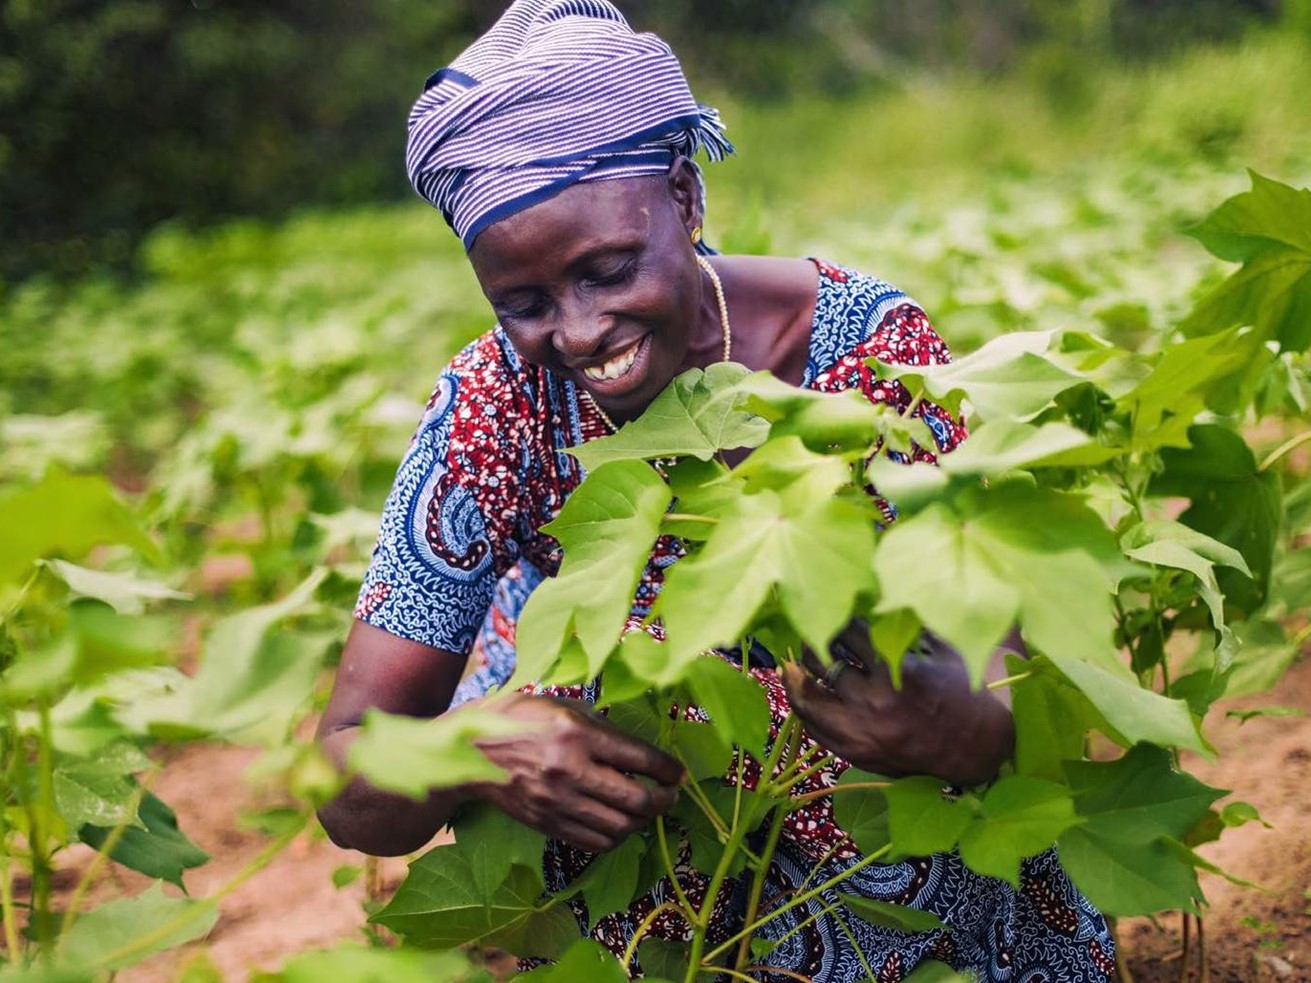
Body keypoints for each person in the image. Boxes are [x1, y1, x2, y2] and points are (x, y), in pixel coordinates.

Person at [316, 2, 1116, 980]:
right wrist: (472, 746)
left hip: (892, 882)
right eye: (522, 303)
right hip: (646, 910)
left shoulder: (865, 353)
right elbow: (348, 775)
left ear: (687, 196)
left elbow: (1006, 680)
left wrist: (954, 723)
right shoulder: (495, 404)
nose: (576, 332)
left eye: (608, 270)